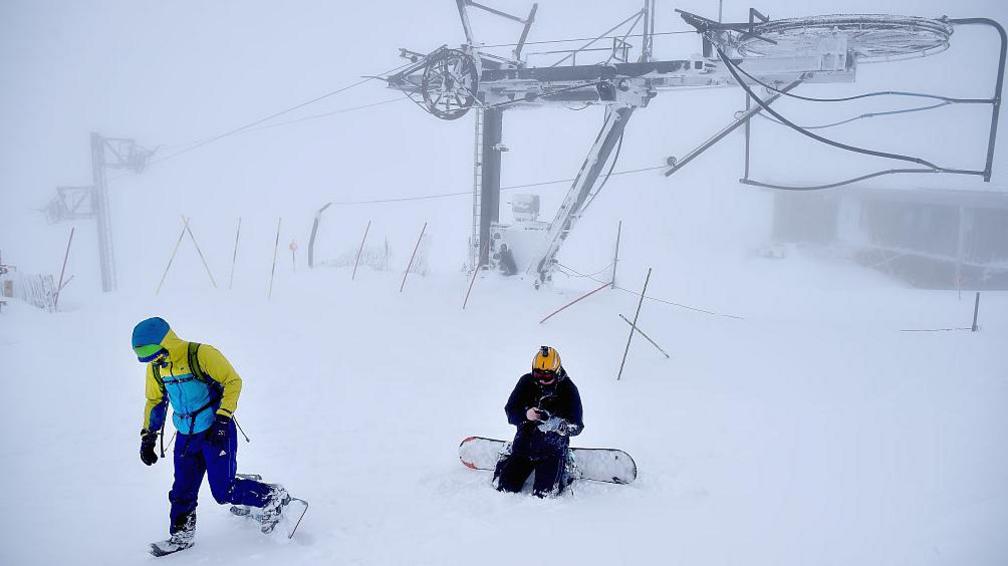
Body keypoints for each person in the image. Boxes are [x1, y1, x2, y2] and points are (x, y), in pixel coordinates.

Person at [134, 317, 289, 553]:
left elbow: (233, 381)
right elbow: (155, 400)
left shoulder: (200, 354)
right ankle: (182, 535)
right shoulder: (157, 368)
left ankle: (272, 497)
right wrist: (149, 436)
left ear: (166, 342)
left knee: (223, 491)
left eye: (154, 353)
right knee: (182, 489)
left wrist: (223, 417)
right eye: (147, 357)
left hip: (216, 430)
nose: (153, 360)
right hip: (186, 435)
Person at [495, 346, 584, 497]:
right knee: (505, 488)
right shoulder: (526, 382)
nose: (542, 379)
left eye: (547, 376)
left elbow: (577, 426)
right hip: (524, 446)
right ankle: (507, 458)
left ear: (557, 372)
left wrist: (558, 425)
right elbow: (510, 411)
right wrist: (525, 415)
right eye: (537, 373)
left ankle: (565, 466)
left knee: (543, 495)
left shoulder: (568, 389)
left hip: (552, 451)